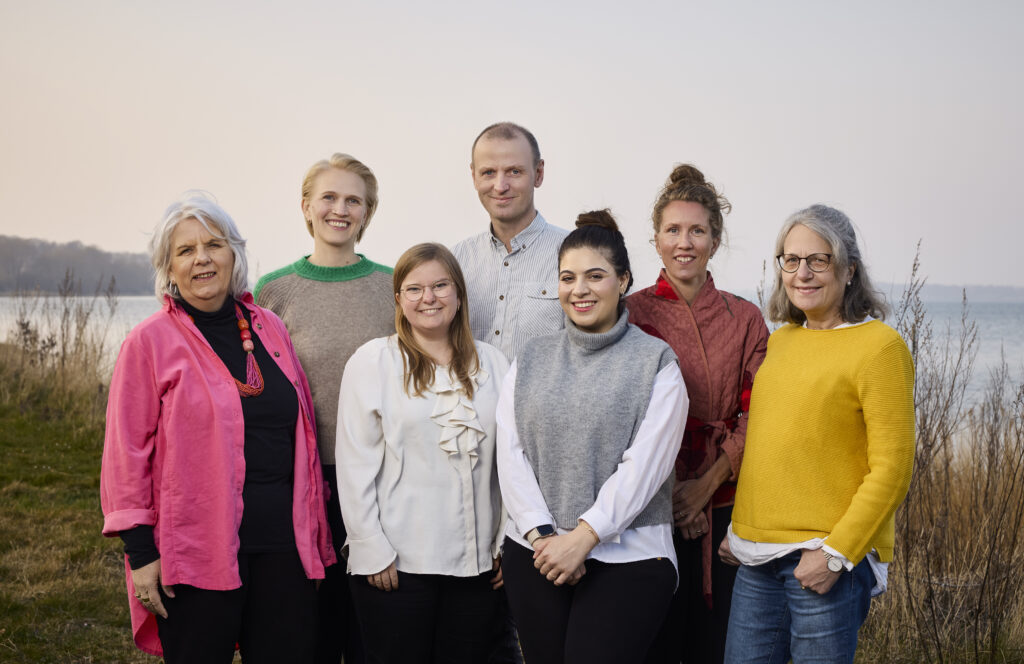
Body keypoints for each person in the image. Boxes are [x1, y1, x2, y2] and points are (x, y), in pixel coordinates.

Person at [100, 192, 335, 662]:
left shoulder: (268, 327)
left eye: (214, 244)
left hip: (283, 546)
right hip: (194, 551)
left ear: (235, 254)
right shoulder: (148, 342)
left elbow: (299, 432)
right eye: (185, 251)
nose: (202, 258)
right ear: (168, 267)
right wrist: (142, 554)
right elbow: (125, 454)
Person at [720, 204, 916, 663]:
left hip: (822, 559)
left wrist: (836, 555)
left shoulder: (880, 347)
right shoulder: (783, 340)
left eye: (818, 260)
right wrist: (741, 527)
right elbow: (772, 442)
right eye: (791, 260)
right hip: (756, 561)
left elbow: (892, 469)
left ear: (849, 270)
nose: (802, 273)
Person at [497, 210, 689, 663]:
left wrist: (583, 537)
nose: (579, 289)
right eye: (568, 277)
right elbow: (511, 451)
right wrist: (545, 537)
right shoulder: (532, 357)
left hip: (631, 557)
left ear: (623, 281)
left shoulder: (656, 363)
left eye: (595, 276)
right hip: (535, 553)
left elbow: (643, 470)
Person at [336, 243, 510, 663]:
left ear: (459, 293)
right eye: (414, 289)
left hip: (478, 568)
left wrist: (506, 544)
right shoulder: (373, 361)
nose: (428, 298)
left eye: (440, 285)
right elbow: (354, 464)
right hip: (396, 567)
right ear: (398, 299)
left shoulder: (493, 363)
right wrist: (370, 548)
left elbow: (511, 462)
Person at [254, 152, 394, 664]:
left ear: (367, 212)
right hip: (300, 482)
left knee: (369, 621)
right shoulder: (274, 290)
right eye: (329, 197)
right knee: (307, 625)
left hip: (381, 479)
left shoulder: (393, 285)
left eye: (353, 200)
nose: (341, 208)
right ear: (307, 206)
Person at [627, 165, 769, 664]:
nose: (684, 242)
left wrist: (704, 488)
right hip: (647, 508)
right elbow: (621, 419)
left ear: (714, 239)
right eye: (673, 230)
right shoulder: (631, 313)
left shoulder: (745, 317)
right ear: (656, 239)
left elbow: (761, 413)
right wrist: (672, 495)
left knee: (719, 644)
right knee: (657, 643)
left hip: (728, 506)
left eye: (697, 230)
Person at [452, 121, 568, 361]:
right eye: (488, 173)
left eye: (514, 171)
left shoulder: (572, 255)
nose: (500, 186)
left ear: (538, 173)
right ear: (474, 176)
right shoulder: (456, 261)